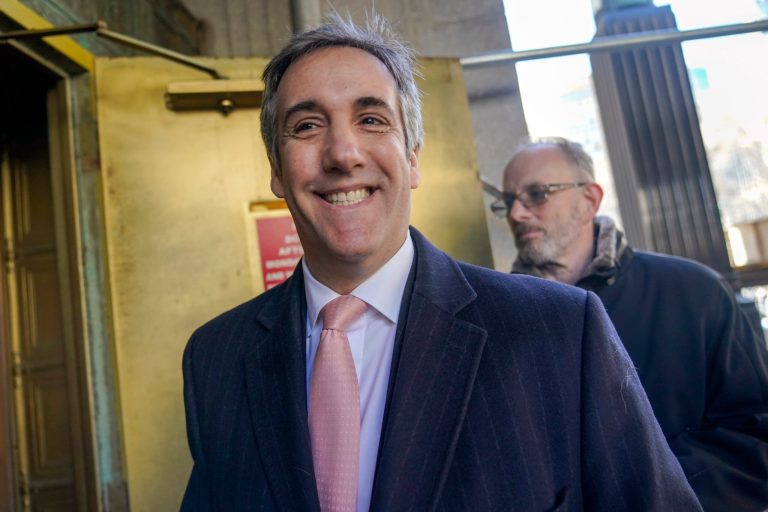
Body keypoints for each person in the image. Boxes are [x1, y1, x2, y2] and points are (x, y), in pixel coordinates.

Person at [180, 16, 702, 511]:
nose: (343, 153)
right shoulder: (216, 359)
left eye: (371, 119)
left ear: (412, 158)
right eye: (308, 125)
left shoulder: (560, 332)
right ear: (276, 169)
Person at [499, 136, 768, 511]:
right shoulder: (499, 321)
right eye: (509, 201)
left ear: (590, 200)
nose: (517, 214)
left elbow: (755, 434)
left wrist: (649, 495)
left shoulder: (695, 292)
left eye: (537, 194)